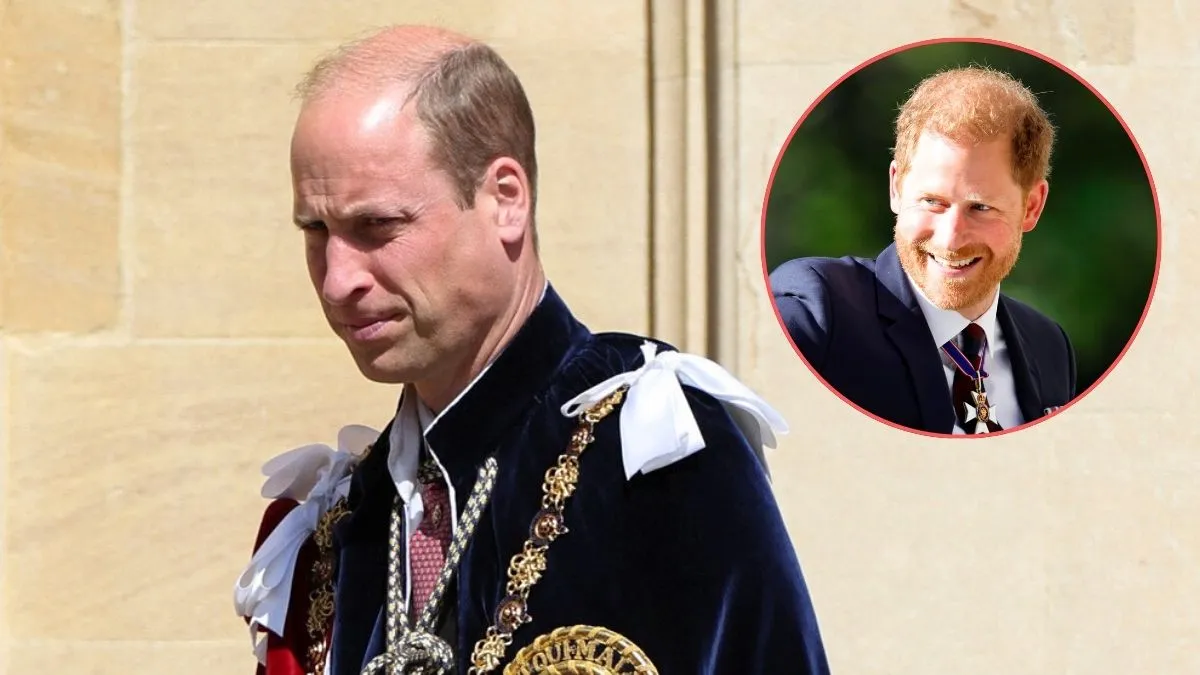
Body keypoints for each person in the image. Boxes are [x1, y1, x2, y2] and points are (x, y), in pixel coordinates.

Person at [233, 24, 830, 675]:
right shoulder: (337, 525)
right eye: (316, 230)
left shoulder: (651, 452)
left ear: (504, 200)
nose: (337, 277)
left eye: (377, 225)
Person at [770, 65, 1077, 436]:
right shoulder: (816, 310)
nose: (951, 239)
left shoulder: (1050, 346)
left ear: (1031, 207)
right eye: (932, 201)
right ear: (897, 187)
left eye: (980, 207)